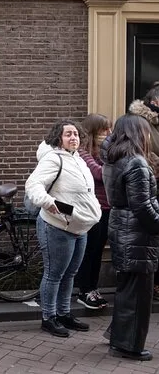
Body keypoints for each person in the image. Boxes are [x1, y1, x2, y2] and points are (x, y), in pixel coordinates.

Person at [25, 120, 101, 338]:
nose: (73, 137)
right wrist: (48, 202)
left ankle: (64, 313)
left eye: (76, 134)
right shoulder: (53, 158)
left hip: (79, 227)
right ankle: (49, 317)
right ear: (58, 138)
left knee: (70, 274)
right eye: (68, 134)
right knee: (54, 274)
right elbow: (33, 184)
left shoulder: (78, 159)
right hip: (57, 226)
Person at [101, 114, 159, 361]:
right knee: (138, 294)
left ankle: (118, 337)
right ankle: (128, 346)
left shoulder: (113, 159)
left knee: (127, 290)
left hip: (121, 228)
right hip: (136, 233)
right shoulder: (136, 162)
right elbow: (143, 206)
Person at [73, 114, 112, 309]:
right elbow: (98, 173)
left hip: (106, 208)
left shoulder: (102, 153)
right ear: (94, 131)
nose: (109, 133)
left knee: (97, 251)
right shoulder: (82, 153)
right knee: (89, 250)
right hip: (92, 209)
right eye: (105, 129)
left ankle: (92, 287)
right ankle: (84, 289)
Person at [128, 82, 159, 302]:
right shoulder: (139, 123)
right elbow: (139, 153)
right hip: (151, 186)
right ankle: (153, 284)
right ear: (155, 101)